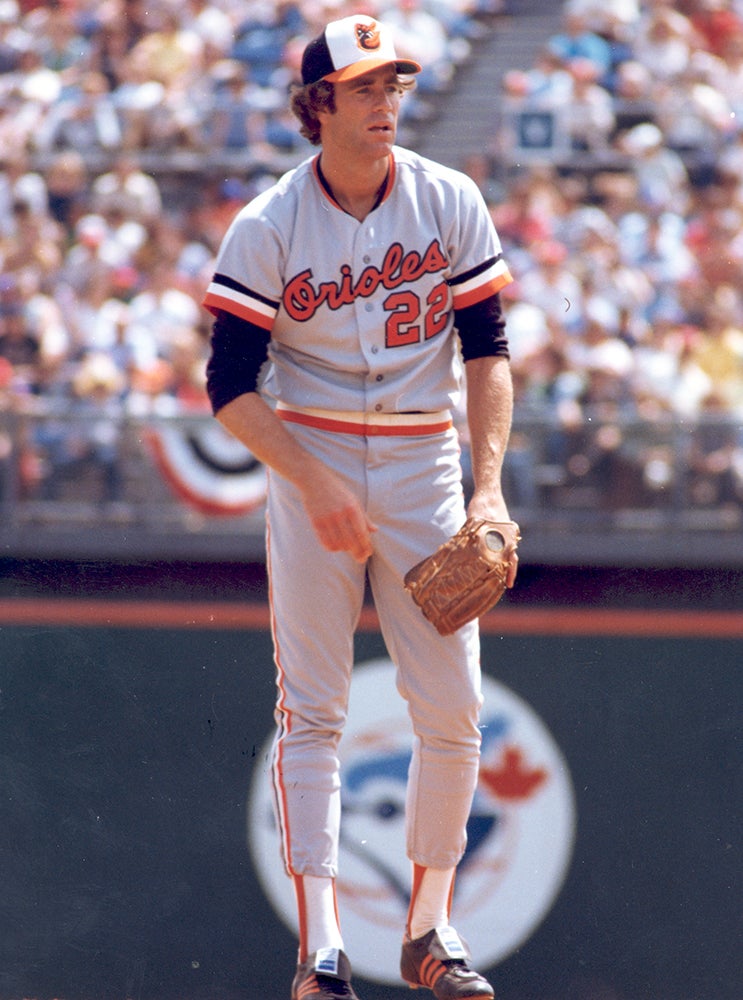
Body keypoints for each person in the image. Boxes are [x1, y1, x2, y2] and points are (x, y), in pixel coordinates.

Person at [203, 13, 516, 1000]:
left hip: (425, 457)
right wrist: (313, 479)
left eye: (396, 86)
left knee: (454, 708)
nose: (387, 102)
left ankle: (428, 930)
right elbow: (229, 387)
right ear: (318, 104)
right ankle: (321, 951)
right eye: (368, 87)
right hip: (317, 453)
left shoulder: (447, 198)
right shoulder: (265, 227)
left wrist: (488, 487)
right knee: (314, 712)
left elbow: (487, 353)